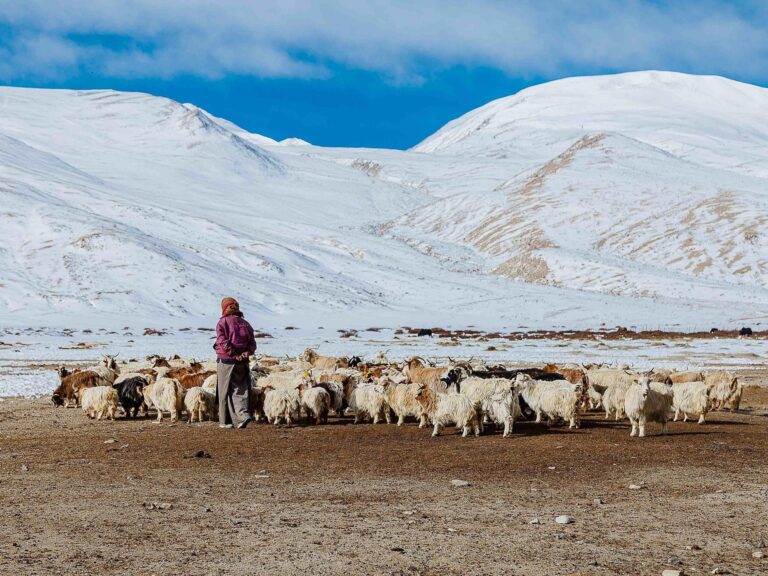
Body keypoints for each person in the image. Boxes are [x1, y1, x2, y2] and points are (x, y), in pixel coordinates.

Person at [214, 297, 256, 429]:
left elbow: (222, 340)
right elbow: (252, 343)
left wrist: (233, 354)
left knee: (224, 389)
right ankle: (243, 416)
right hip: (242, 361)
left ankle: (225, 421)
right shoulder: (245, 323)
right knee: (240, 388)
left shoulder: (222, 323)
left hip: (226, 360)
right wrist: (246, 352)